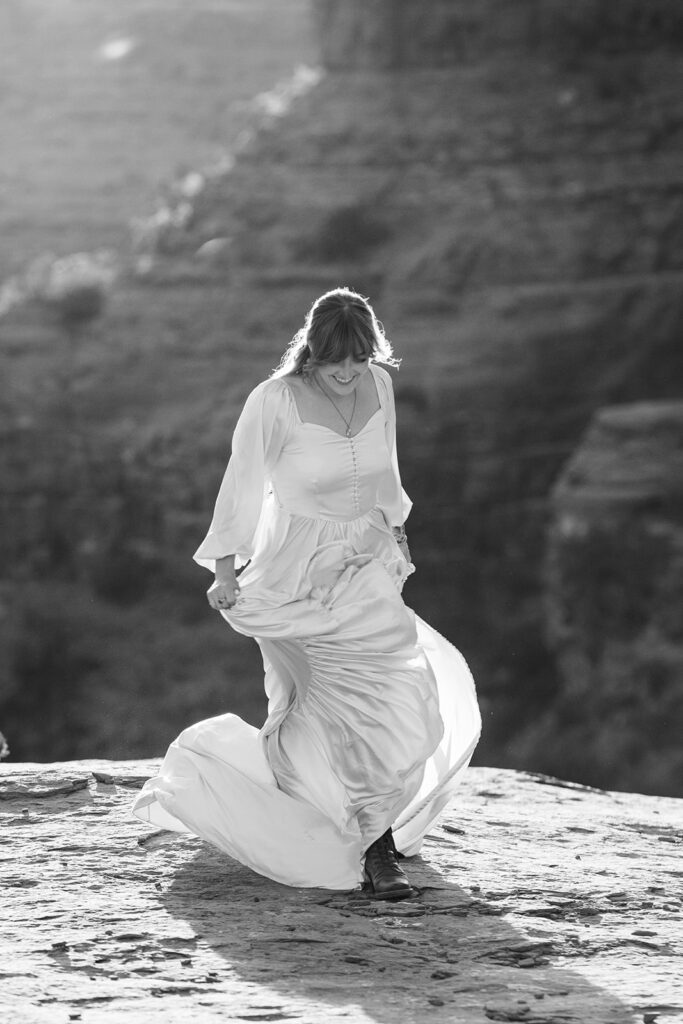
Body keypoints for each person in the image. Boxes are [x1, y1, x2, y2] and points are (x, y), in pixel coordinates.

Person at [132, 287, 481, 900]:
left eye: (359, 357)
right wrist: (224, 570)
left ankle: (363, 822)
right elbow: (240, 485)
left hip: (367, 561)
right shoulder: (275, 400)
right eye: (333, 360)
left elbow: (386, 469)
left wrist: (396, 532)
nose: (348, 372)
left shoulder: (380, 385)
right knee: (333, 705)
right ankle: (377, 850)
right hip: (297, 571)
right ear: (311, 352)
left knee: (400, 690)